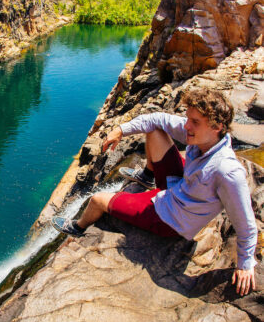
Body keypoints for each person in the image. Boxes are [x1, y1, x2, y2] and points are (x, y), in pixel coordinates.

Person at [52, 89, 258, 296]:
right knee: (155, 130)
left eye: (195, 122)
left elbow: (245, 222)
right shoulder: (205, 140)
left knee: (97, 200)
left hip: (170, 219)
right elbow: (157, 119)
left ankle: (77, 227)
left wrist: (245, 264)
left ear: (217, 127)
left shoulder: (227, 171)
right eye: (188, 119)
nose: (187, 126)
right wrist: (120, 130)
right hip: (180, 188)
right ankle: (147, 176)